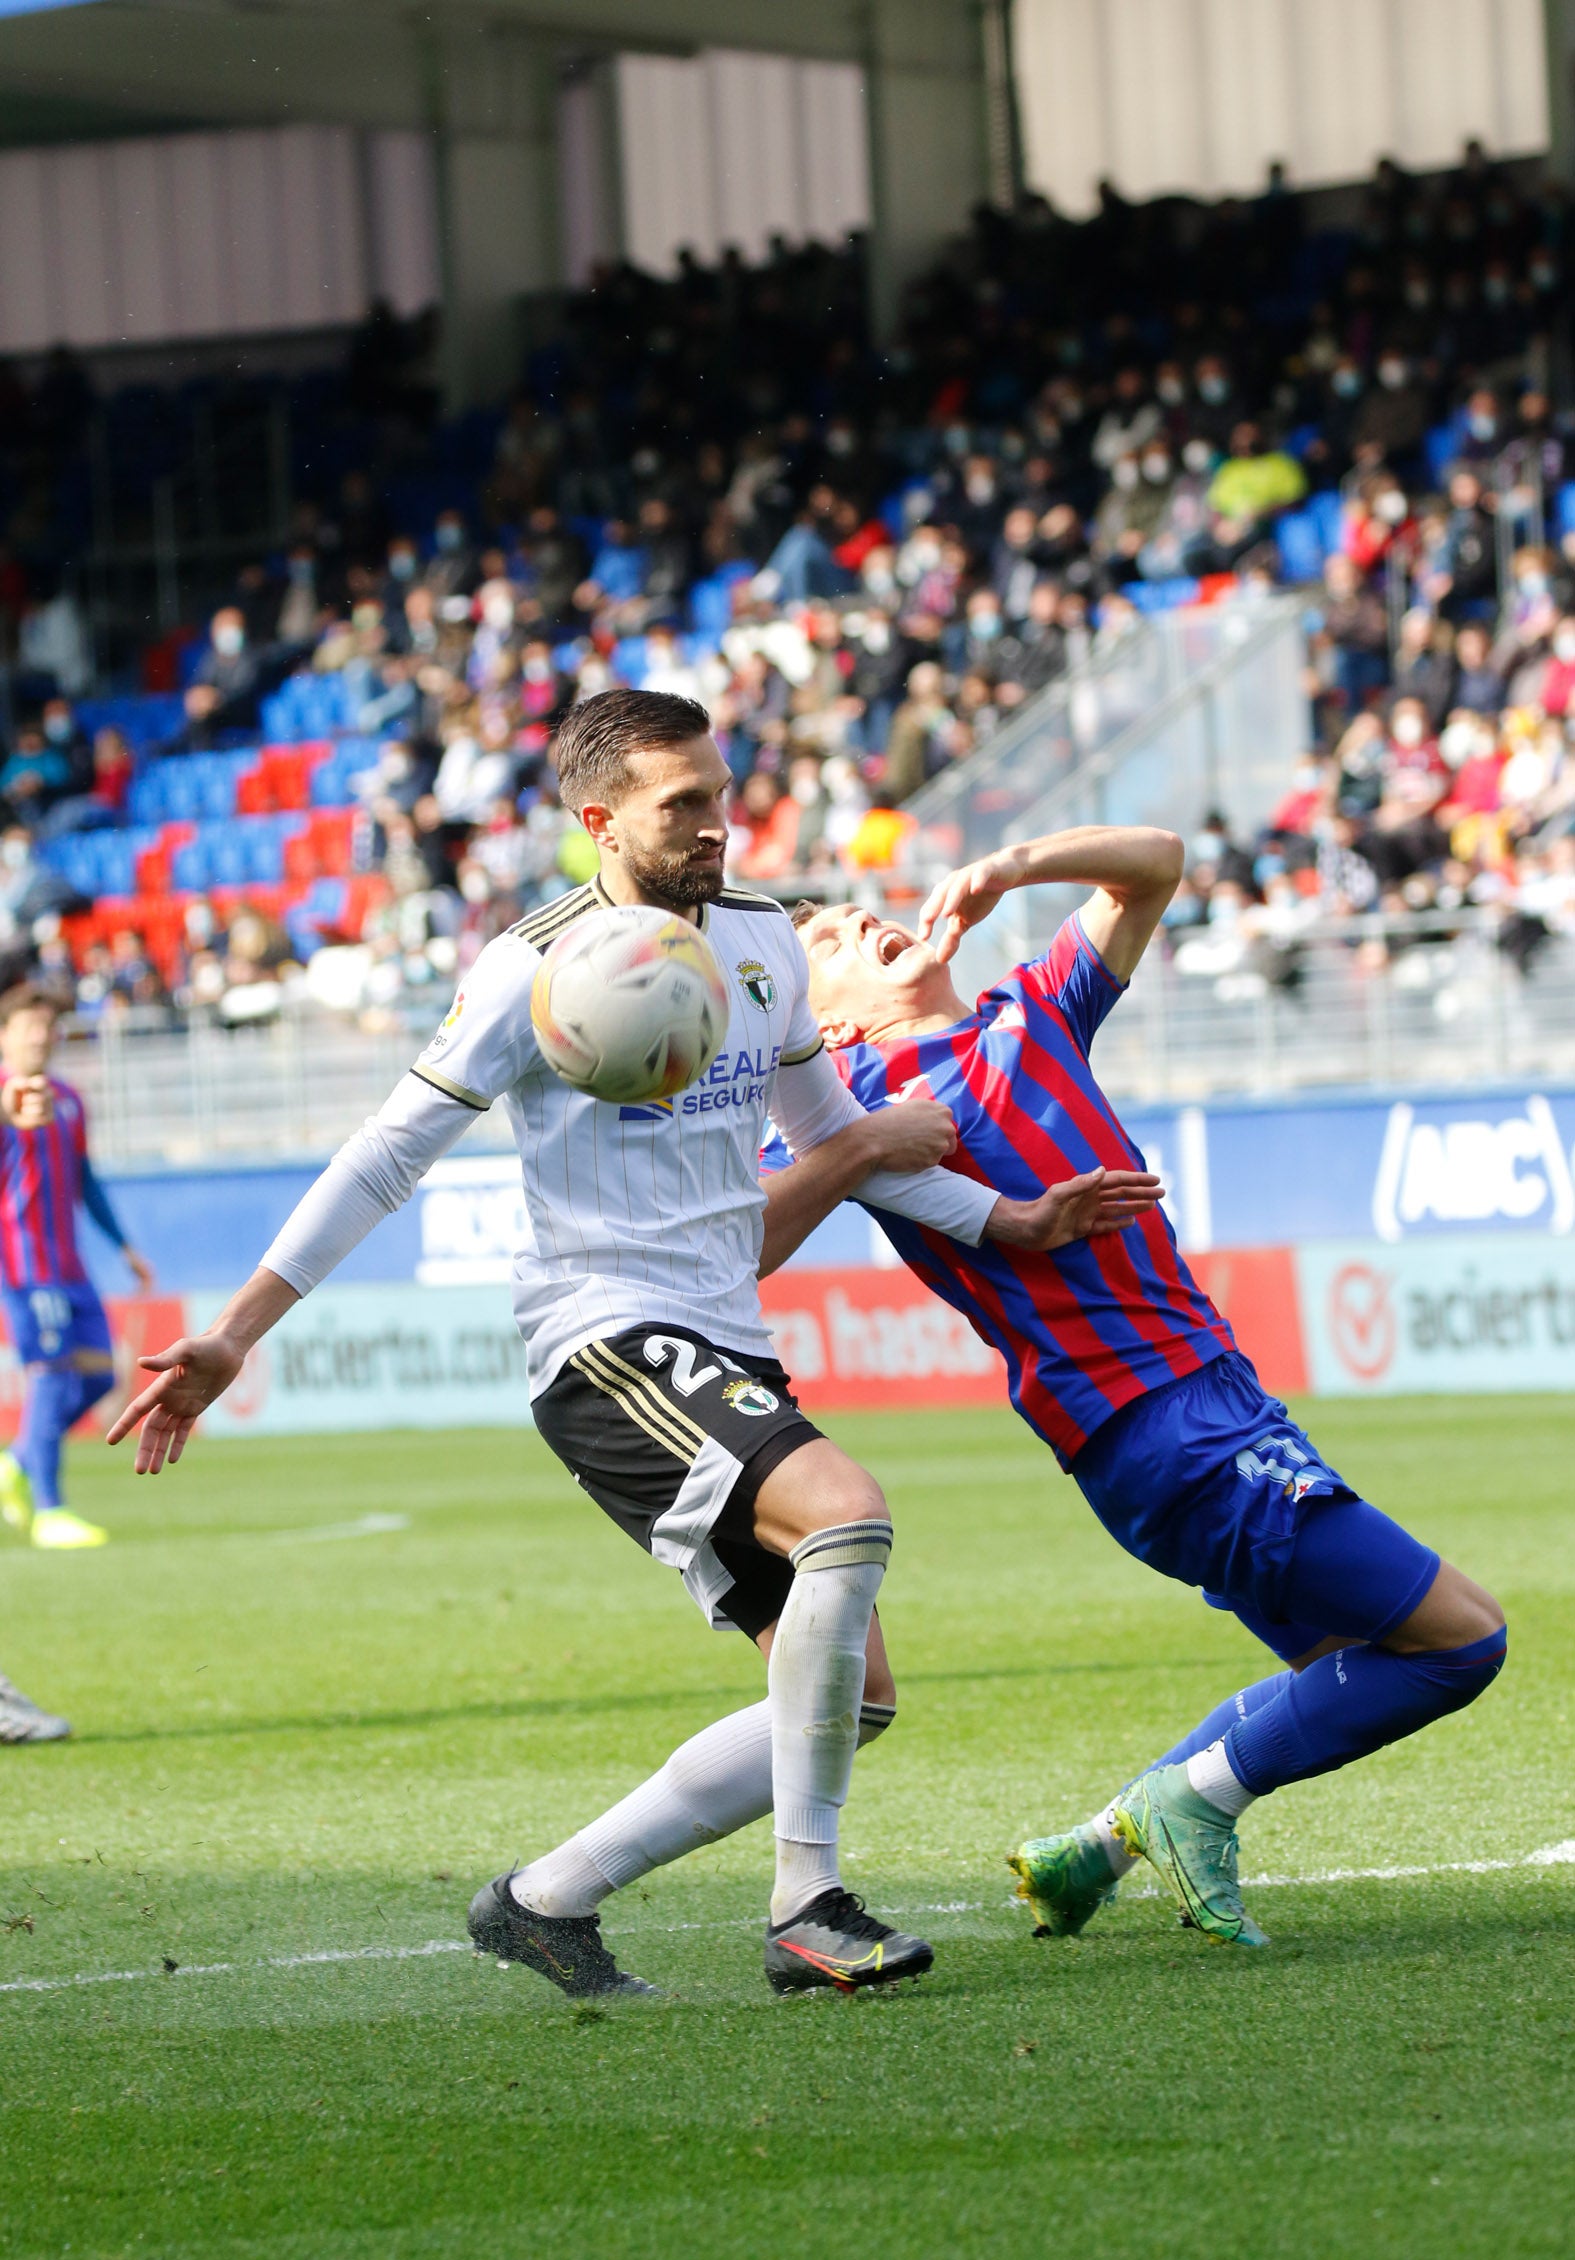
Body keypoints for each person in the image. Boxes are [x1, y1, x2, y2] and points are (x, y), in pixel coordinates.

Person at [107, 689, 1148, 2000]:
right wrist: (231, 1334)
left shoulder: (762, 944)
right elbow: (386, 1155)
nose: (718, 824)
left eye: (720, 793)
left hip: (721, 1339)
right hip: (601, 1338)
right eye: (684, 805)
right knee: (845, 1515)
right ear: (599, 819)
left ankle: (546, 1899)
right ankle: (804, 1904)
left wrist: (1009, 1217)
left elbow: (842, 1141)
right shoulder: (530, 970)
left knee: (849, 1696)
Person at [776, 827, 1507, 1947]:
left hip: (1210, 1401)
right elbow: (770, 1202)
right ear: (826, 1029)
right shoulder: (867, 1112)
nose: (858, 923)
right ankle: (1185, 1803)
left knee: (1345, 1666)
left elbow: (1155, 864)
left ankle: (1098, 1849)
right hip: (1160, 1425)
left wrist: (1015, 865)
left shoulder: (1032, 1010)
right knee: (1463, 1641)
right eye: (825, 940)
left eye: (849, 911)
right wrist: (850, 1135)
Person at [0, 983, 154, 1549]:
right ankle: (49, 1511)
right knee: (52, 1372)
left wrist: (123, 1244)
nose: (42, 1035)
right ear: (5, 1035)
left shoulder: (69, 1099)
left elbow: (84, 1179)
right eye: (29, 1026)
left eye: (49, 1026)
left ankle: (14, 1463)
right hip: (24, 1263)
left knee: (98, 1378)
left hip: (72, 1263)